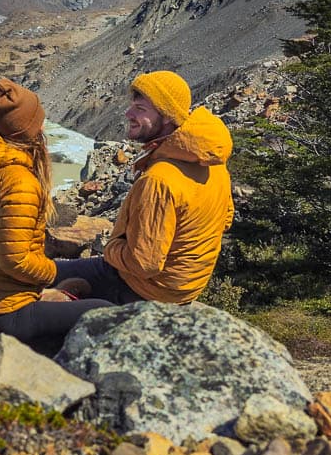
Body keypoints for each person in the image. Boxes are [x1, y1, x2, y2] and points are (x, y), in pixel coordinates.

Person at [0, 78, 114, 350]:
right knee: (105, 310)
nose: (43, 126)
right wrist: (50, 272)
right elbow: (13, 261)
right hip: (1, 315)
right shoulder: (19, 182)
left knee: (77, 282)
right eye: (39, 120)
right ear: (26, 129)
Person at [54, 70, 235, 304]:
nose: (128, 114)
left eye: (140, 109)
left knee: (44, 276)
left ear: (168, 115)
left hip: (143, 289)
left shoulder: (159, 180)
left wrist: (111, 248)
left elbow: (143, 264)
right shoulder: (211, 162)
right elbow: (226, 219)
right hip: (184, 288)